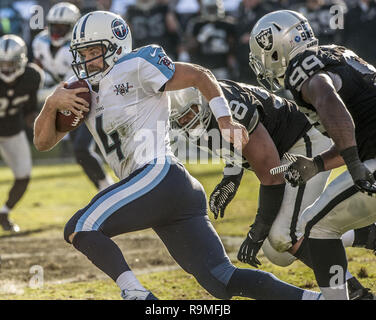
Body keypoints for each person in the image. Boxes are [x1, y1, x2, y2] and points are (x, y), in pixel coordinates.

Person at [34, 11, 324, 300]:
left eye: (94, 51)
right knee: (221, 280)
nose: (87, 60)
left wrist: (224, 119)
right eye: (82, 53)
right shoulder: (79, 90)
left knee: (80, 226)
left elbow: (200, 75)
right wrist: (50, 105)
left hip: (158, 174)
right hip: (171, 192)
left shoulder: (135, 63)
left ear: (116, 45)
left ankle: (135, 294)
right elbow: (43, 142)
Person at [168, 81, 376, 299]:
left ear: (201, 101)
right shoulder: (205, 111)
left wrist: (257, 231)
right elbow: (235, 144)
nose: (186, 121)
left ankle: (355, 292)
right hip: (284, 153)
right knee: (277, 252)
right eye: (179, 118)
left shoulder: (231, 109)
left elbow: (272, 178)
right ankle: (367, 235)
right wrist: (231, 177)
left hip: (303, 144)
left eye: (190, 112)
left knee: (282, 235)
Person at [249, 9, 376, 299]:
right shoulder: (337, 53)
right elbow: (354, 133)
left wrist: (355, 164)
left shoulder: (302, 69)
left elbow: (325, 95)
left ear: (278, 45)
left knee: (315, 227)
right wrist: (318, 164)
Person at [32, 2, 114, 191]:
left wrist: (45, 95)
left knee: (83, 149)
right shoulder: (40, 43)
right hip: (63, 99)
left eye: (62, 27)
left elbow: (76, 84)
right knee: (80, 153)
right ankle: (103, 188)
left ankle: (107, 186)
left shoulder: (79, 47)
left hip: (85, 98)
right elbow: (38, 70)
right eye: (54, 26)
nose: (57, 31)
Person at [0, 34, 43, 232]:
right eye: (2, 63)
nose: (6, 68)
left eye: (11, 63)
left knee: (24, 175)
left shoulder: (31, 77)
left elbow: (30, 110)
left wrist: (38, 123)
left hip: (11, 129)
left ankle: (4, 212)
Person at [185, 0, 237, 79]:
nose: (212, 11)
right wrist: (201, 38)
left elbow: (233, 43)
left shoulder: (227, 24)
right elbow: (190, 47)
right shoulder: (197, 24)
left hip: (222, 66)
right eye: (210, 8)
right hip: (204, 66)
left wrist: (232, 57)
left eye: (214, 8)